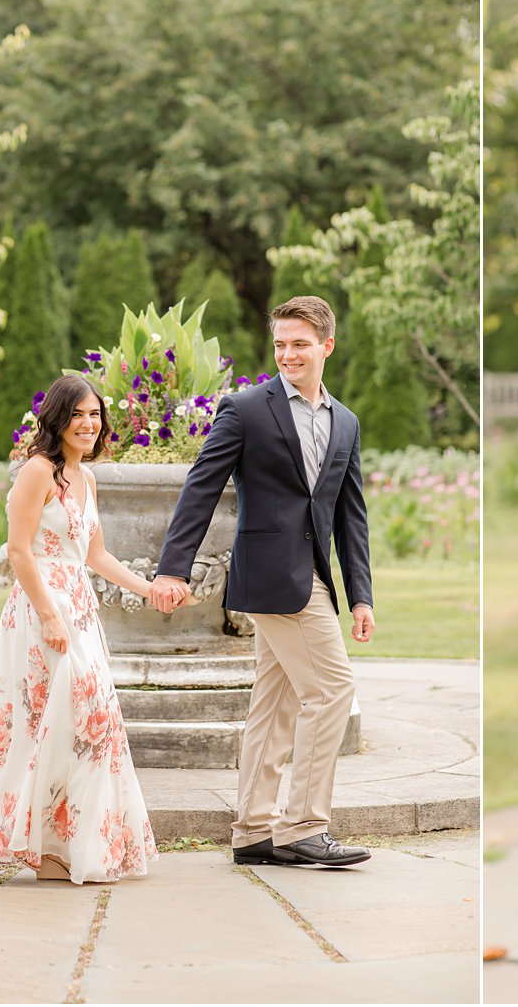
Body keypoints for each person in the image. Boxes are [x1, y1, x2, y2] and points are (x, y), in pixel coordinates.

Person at [149, 295, 375, 867]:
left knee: (273, 706)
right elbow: (202, 486)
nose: (287, 354)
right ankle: (302, 825)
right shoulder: (246, 408)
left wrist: (362, 596)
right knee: (332, 691)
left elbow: (351, 514)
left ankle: (252, 830)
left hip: (314, 575)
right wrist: (173, 567)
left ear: (326, 345)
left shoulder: (344, 421)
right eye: (279, 344)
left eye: (299, 343)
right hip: (271, 577)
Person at [0, 374, 157, 883]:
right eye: (78, 415)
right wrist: (50, 615)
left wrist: (147, 588)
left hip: (81, 608)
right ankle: (39, 847)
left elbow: (96, 555)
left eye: (95, 415)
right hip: (40, 610)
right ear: (57, 418)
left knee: (88, 723)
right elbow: (20, 551)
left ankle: (68, 847)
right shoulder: (37, 472)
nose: (88, 424)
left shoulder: (85, 478)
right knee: (45, 724)